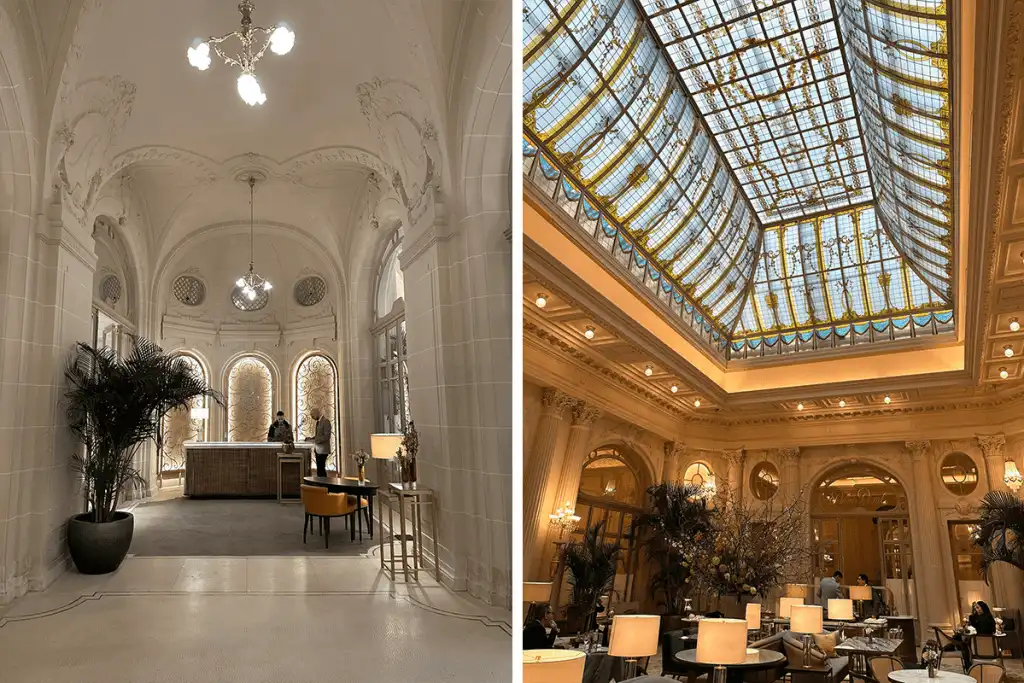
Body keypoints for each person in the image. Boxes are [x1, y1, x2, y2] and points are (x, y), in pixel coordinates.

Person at [309, 407, 332, 477]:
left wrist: (315, 440)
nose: (312, 418)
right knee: (319, 468)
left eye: (313, 416)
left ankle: (323, 485)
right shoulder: (318, 422)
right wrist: (311, 438)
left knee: (321, 468)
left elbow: (327, 436)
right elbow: (318, 435)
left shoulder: (326, 421)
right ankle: (320, 484)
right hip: (318, 449)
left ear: (316, 413)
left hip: (323, 450)